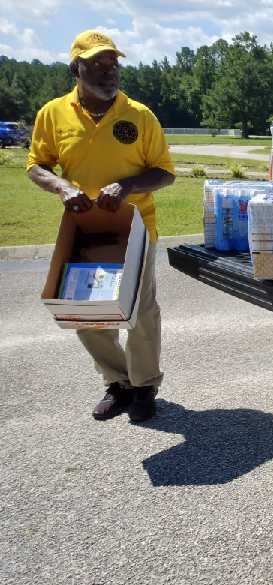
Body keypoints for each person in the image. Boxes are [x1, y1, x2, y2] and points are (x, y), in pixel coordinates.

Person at [27, 30, 176, 422]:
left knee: (140, 312)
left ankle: (145, 387)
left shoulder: (139, 115)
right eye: (98, 64)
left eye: (114, 64)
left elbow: (164, 172)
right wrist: (61, 187)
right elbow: (37, 165)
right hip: (84, 230)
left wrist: (126, 186)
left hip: (136, 229)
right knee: (85, 311)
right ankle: (119, 382)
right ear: (76, 68)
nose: (110, 72)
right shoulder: (53, 113)